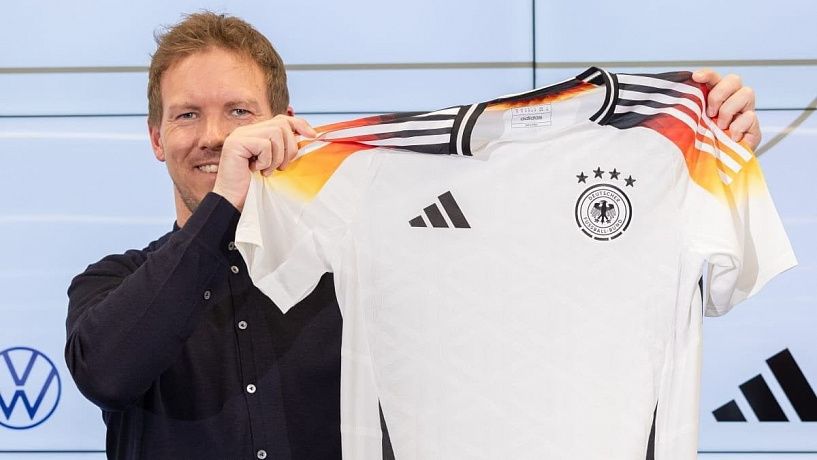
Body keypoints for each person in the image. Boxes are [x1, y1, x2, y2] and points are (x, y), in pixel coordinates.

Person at [64, 11, 763, 460]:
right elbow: (111, 372)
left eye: (238, 112)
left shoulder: (363, 262)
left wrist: (706, 157)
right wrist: (226, 204)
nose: (214, 135)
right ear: (155, 137)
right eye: (187, 115)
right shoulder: (109, 284)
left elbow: (562, 300)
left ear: (284, 122)